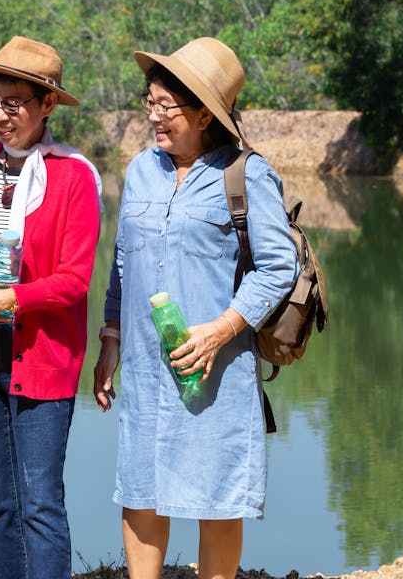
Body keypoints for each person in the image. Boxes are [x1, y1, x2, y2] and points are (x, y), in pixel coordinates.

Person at [93, 37, 299, 579]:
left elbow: (279, 267)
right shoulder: (141, 170)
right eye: (150, 103)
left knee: (218, 496)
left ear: (206, 113)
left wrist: (220, 330)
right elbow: (122, 264)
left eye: (168, 107)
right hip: (143, 367)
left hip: (216, 369)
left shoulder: (246, 175)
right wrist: (109, 342)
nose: (155, 117)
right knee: (140, 490)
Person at [0, 36, 102, 579]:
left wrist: (8, 298)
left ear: (47, 104)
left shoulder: (74, 176)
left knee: (41, 506)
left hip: (42, 355)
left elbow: (74, 281)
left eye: (14, 104)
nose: (1, 116)